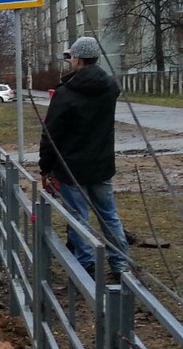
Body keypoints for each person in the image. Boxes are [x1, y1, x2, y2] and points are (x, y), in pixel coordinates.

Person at [38, 36, 129, 283]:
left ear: (77, 58)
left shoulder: (65, 94)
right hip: (102, 164)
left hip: (71, 168)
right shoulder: (110, 88)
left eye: (71, 57)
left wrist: (45, 166)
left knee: (78, 217)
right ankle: (120, 264)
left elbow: (51, 133)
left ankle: (85, 264)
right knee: (109, 215)